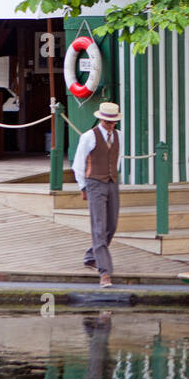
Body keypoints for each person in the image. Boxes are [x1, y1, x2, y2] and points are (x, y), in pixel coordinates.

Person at [72, 102, 124, 288]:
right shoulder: (88, 137)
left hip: (111, 182)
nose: (110, 125)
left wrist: (113, 176)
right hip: (94, 183)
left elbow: (117, 159)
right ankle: (105, 273)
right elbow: (78, 164)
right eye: (107, 121)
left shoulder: (119, 136)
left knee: (112, 224)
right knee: (99, 227)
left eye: (113, 121)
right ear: (101, 119)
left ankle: (91, 256)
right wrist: (83, 187)